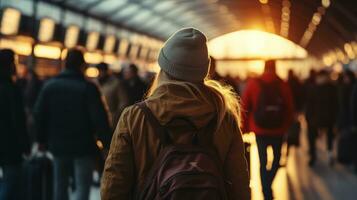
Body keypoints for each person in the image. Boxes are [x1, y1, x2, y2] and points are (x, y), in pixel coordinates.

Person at [101, 28, 250, 200]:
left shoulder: (135, 117)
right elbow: (239, 185)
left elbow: (113, 186)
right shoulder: (224, 118)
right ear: (203, 72)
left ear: (163, 69)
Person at [34, 48, 111, 200]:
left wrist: (41, 140)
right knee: (83, 186)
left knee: (60, 185)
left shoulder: (49, 86)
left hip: (57, 145)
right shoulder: (88, 88)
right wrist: (107, 142)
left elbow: (39, 114)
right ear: (82, 65)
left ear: (64, 64)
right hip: (83, 146)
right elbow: (99, 119)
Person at [242, 60, 294, 200]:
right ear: (275, 68)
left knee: (262, 161)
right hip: (279, 129)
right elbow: (289, 107)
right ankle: (267, 185)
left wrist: (245, 128)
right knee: (277, 160)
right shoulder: (282, 84)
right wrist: (287, 125)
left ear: (264, 68)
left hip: (259, 129)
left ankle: (265, 188)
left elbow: (245, 106)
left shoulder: (254, 83)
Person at [0, 49, 30, 200]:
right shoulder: (11, 89)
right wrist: (26, 146)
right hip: (9, 145)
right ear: (10, 64)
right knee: (11, 183)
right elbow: (18, 121)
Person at [305, 70, 338, 166]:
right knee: (327, 137)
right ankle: (323, 155)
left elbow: (309, 105)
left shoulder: (314, 88)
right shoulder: (331, 88)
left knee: (314, 138)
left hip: (321, 118)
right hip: (323, 118)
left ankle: (317, 155)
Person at [96, 62, 129, 126]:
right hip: (98, 120)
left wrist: (114, 117)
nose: (99, 73)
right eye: (98, 71)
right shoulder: (96, 83)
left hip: (112, 120)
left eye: (101, 71)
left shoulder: (117, 83)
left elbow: (124, 103)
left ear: (106, 71)